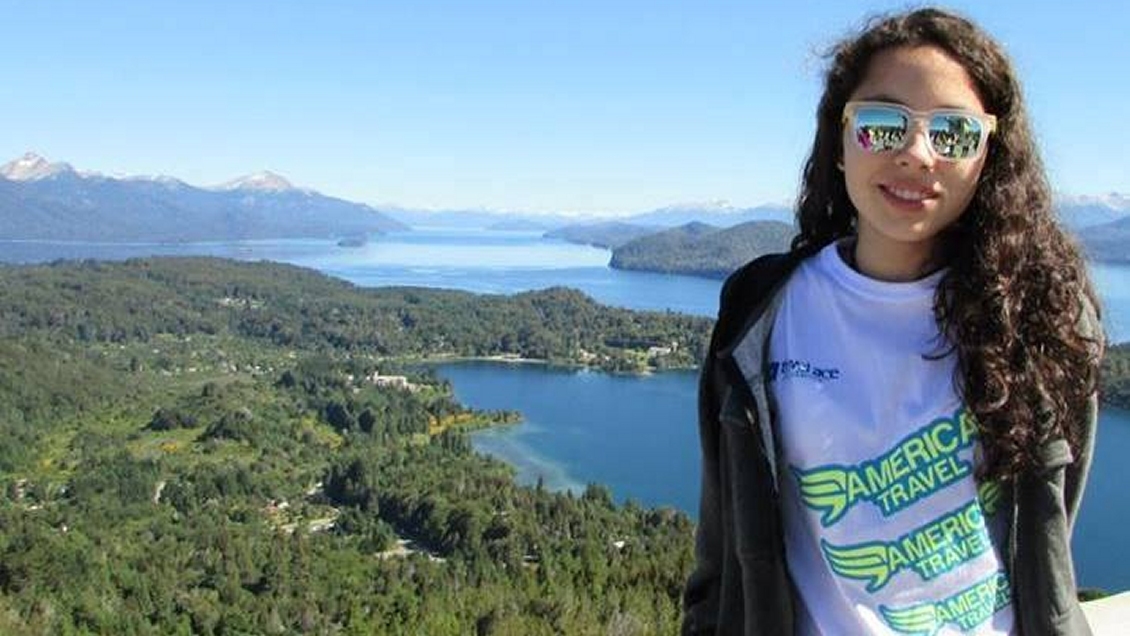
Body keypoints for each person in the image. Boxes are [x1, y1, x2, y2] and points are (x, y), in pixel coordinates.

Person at [681, 8, 1103, 636]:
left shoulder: (1041, 317)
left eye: (954, 133)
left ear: (989, 155)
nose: (916, 154)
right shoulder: (760, 315)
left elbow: (1048, 533)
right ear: (840, 139)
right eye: (883, 124)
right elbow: (722, 553)